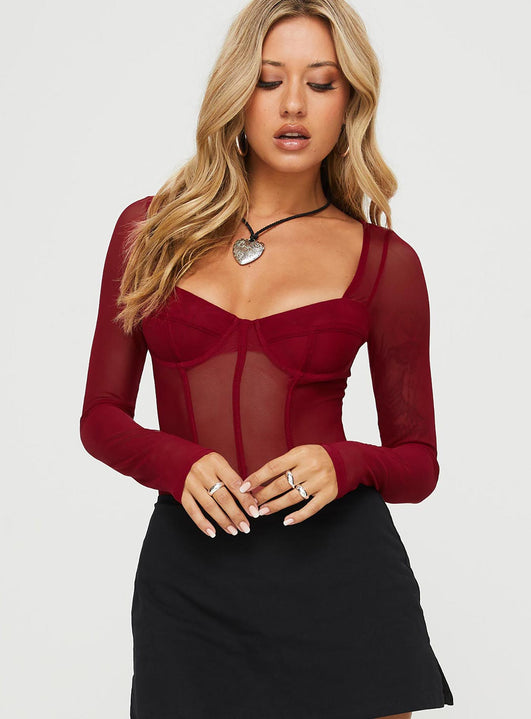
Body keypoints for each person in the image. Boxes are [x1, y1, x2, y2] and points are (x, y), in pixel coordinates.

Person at [79, 1, 455, 717]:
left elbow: (419, 462)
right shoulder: (150, 231)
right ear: (235, 91)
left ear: (349, 102)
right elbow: (100, 417)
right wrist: (175, 461)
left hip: (343, 585)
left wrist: (344, 462)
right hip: (189, 584)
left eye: (321, 82)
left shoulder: (385, 262)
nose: (293, 105)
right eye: (268, 79)